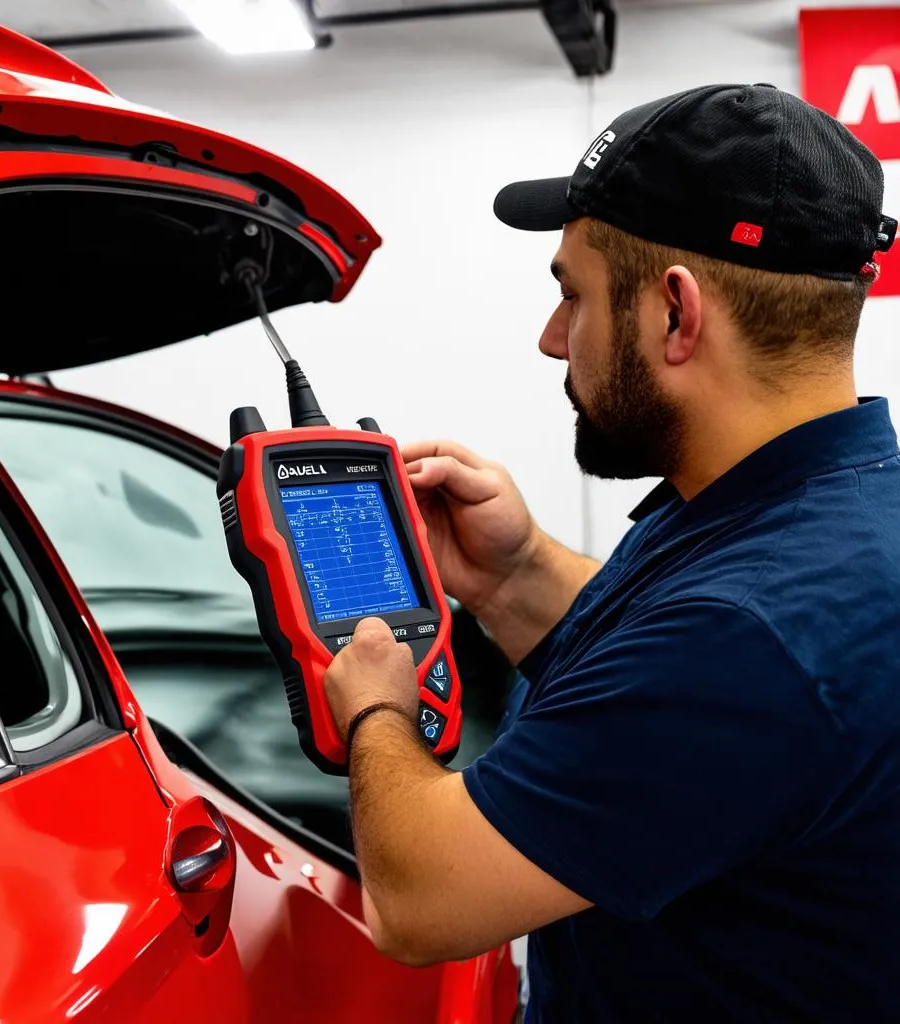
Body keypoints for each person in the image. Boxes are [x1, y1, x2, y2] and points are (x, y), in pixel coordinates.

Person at [323, 82, 900, 1022]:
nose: (552, 340)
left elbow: (420, 900)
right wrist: (516, 576)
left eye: (570, 294)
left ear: (678, 314)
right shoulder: (812, 511)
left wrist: (375, 710)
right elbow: (676, 686)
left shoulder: (749, 635)